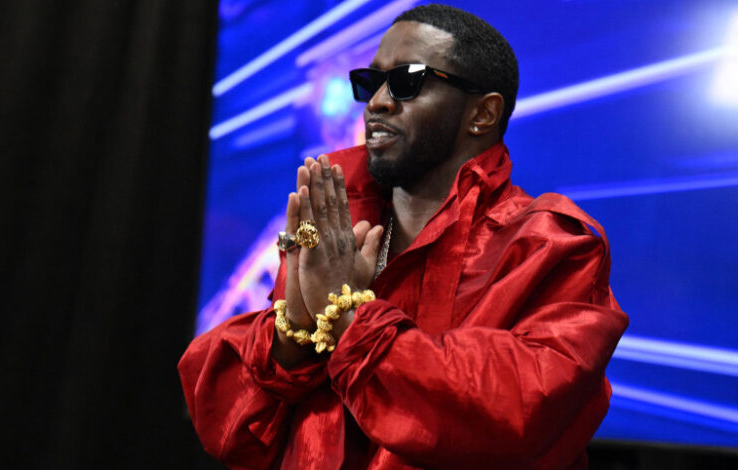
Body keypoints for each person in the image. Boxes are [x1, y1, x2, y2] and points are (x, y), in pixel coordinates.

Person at [179, 4, 628, 469]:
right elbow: (232, 430)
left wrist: (346, 315)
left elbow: (517, 409)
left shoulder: (551, 245)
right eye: (371, 82)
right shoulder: (337, 225)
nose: (376, 102)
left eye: (407, 81)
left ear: (482, 113)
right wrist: (294, 330)